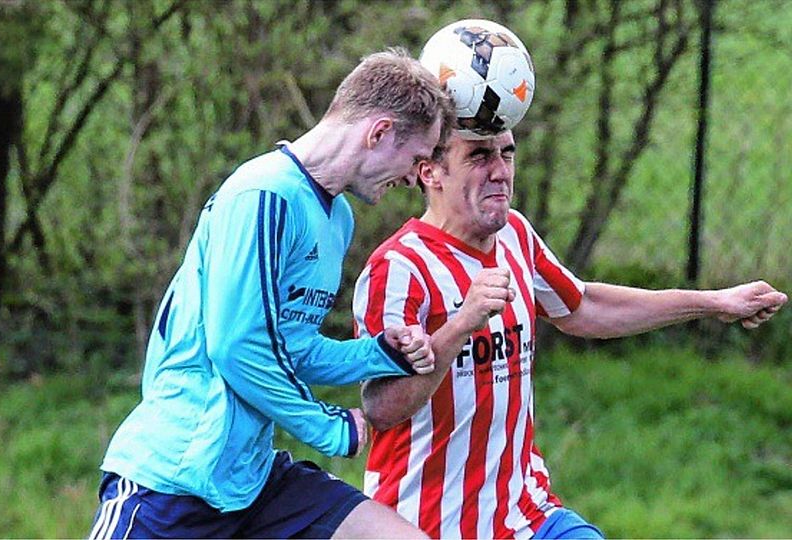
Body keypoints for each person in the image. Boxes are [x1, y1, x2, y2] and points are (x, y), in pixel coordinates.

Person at [88, 48, 457, 540]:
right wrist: (324, 426)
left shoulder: (336, 218)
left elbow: (291, 346)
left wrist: (378, 354)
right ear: (380, 132)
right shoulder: (262, 195)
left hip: (252, 484)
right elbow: (236, 346)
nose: (415, 177)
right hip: (172, 484)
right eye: (415, 159)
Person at [352, 128, 788, 539]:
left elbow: (584, 306)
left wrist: (714, 302)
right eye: (480, 156)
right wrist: (461, 325)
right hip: (422, 523)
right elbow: (384, 408)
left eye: (507, 152)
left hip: (527, 515)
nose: (501, 170)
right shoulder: (397, 270)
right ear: (430, 171)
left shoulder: (516, 237)